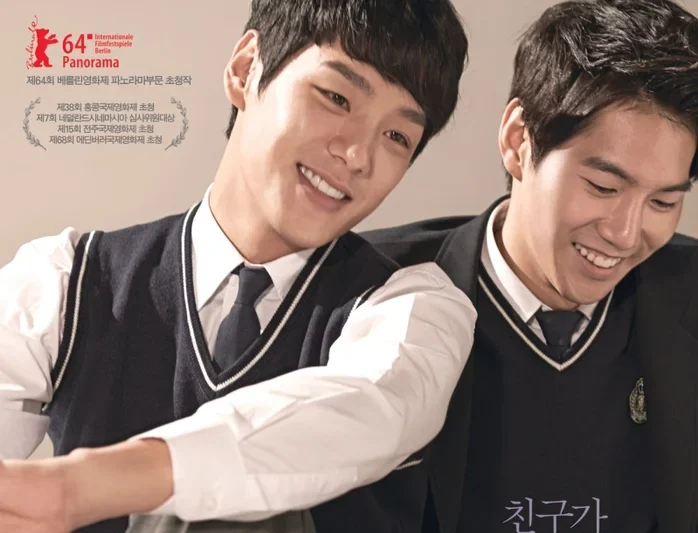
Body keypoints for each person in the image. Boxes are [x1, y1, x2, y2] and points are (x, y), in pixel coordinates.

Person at [0, 1, 476, 532]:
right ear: (246, 68)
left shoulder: (414, 309)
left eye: (397, 137)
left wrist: (84, 487)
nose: (357, 155)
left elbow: (363, 412)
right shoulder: (63, 281)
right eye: (337, 97)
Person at [365, 0, 698, 531]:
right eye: (603, 187)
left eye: (663, 202)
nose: (625, 234)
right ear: (518, 140)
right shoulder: (364, 287)